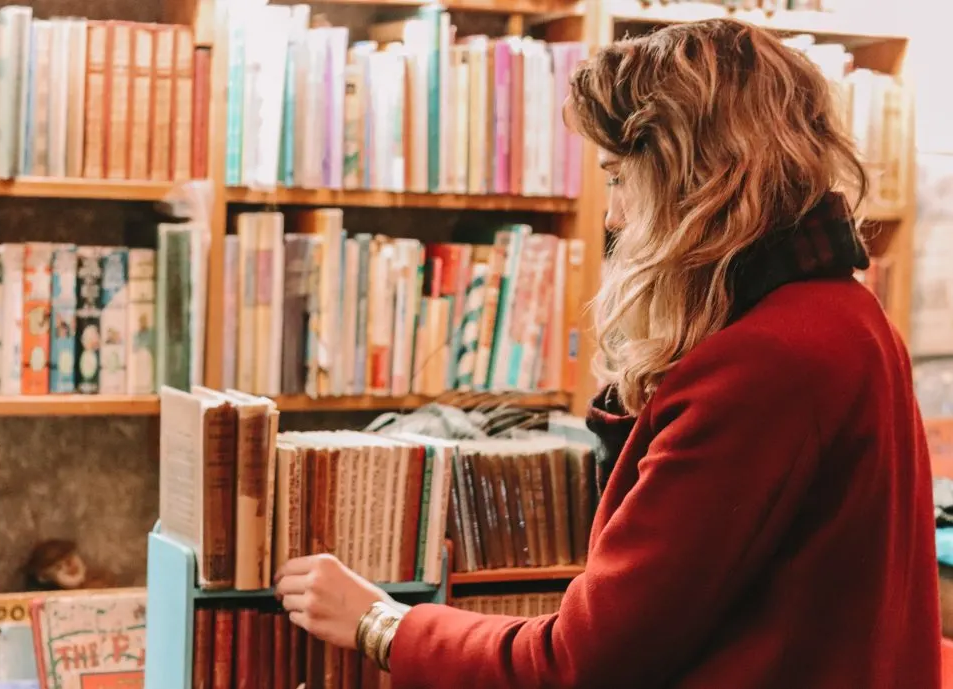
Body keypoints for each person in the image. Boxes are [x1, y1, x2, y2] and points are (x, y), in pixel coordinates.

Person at [274, 17, 942, 688]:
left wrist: (381, 621)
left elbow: (577, 663)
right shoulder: (850, 314)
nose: (614, 216)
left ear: (704, 179)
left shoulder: (765, 364)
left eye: (621, 179)